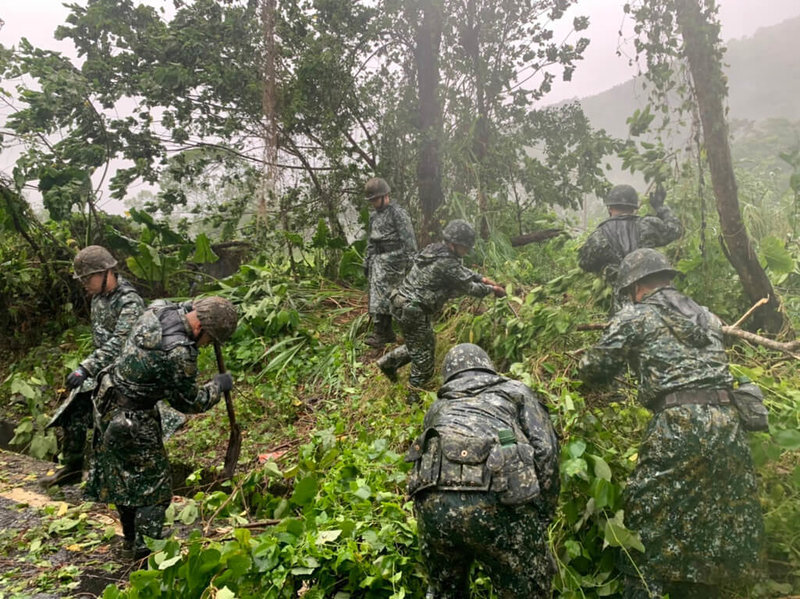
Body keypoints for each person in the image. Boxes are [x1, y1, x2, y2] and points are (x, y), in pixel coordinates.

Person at [579, 248, 763, 599]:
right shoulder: (707, 317)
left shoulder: (636, 316)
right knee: (712, 522)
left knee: (646, 517)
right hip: (728, 422)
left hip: (679, 423)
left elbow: (594, 368)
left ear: (635, 286)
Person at [86, 296, 238, 560]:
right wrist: (218, 386)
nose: (207, 346)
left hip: (108, 401)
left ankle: (130, 540)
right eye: (210, 341)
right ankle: (147, 549)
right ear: (202, 329)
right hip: (132, 420)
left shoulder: (159, 308)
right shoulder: (179, 352)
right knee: (154, 489)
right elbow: (189, 402)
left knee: (123, 477)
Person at [406, 343, 559, 598]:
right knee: (526, 590)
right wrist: (544, 511)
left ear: (449, 376)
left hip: (434, 508)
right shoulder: (515, 391)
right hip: (501, 503)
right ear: (487, 367)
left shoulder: (438, 407)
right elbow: (546, 451)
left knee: (446, 592)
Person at [41, 246, 146, 488]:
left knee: (110, 428)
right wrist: (89, 369)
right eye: (83, 279)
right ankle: (72, 468)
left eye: (89, 278)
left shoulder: (130, 302)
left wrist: (86, 367)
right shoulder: (98, 299)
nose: (85, 284)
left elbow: (121, 342)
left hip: (125, 375)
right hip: (101, 371)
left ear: (107, 272)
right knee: (74, 410)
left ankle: (111, 482)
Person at [376, 219, 505, 402]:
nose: (466, 251)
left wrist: (482, 278)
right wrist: (494, 290)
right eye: (465, 247)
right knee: (425, 362)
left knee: (420, 345)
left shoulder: (434, 250)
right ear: (454, 244)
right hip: (414, 310)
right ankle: (412, 399)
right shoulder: (446, 263)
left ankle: (388, 363)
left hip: (401, 303)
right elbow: (470, 288)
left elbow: (461, 271)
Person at [578, 184, 682, 310]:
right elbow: (675, 230)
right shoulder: (647, 225)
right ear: (633, 208)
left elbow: (584, 264)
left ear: (609, 208)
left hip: (623, 300)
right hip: (654, 293)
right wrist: (661, 208)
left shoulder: (598, 236)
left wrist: (606, 267)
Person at [362, 177, 417, 348]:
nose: (374, 203)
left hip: (395, 260)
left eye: (375, 199)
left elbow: (409, 241)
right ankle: (383, 333)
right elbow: (371, 241)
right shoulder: (373, 217)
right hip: (379, 261)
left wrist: (409, 263)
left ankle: (409, 334)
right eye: (371, 201)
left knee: (393, 298)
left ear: (386, 196)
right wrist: (368, 260)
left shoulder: (397, 213)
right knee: (377, 298)